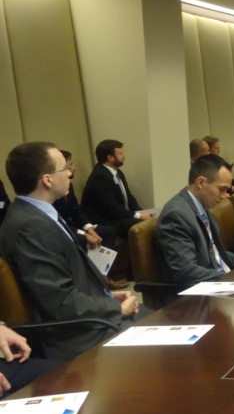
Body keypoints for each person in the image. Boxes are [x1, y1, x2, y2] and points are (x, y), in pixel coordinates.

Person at [0, 142, 139, 361]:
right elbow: (59, 303)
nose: (69, 173)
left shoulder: (40, 213)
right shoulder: (30, 226)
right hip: (78, 334)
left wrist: (106, 296)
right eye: (64, 168)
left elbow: (67, 279)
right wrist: (113, 308)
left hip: (91, 320)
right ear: (47, 179)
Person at [154, 154, 234, 288]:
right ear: (201, 182)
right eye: (222, 189)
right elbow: (184, 271)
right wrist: (231, 278)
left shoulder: (200, 205)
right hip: (196, 294)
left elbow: (212, 252)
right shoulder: (176, 215)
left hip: (217, 282)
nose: (225, 195)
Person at [80, 138, 154, 237]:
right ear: (110, 158)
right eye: (120, 154)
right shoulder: (99, 176)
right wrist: (138, 216)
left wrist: (141, 212)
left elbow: (129, 197)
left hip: (118, 216)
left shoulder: (117, 172)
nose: (124, 156)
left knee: (152, 221)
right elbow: (111, 207)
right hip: (105, 220)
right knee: (142, 226)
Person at [53, 149, 116, 252]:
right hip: (62, 230)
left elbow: (76, 209)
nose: (74, 168)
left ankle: (102, 266)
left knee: (108, 231)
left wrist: (89, 228)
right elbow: (58, 222)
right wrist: (84, 233)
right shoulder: (53, 190)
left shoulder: (69, 185)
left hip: (74, 225)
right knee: (81, 239)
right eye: (70, 165)